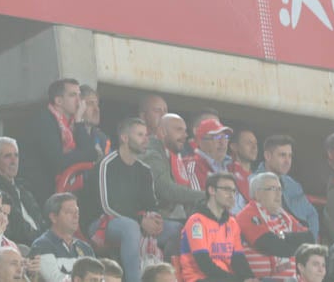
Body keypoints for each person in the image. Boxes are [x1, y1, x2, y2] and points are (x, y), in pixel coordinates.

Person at [79, 118, 175, 282]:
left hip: (137, 221)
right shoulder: (106, 164)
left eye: (146, 135)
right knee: (131, 228)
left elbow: (151, 205)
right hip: (101, 223)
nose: (146, 140)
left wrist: (155, 220)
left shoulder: (144, 170)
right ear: (124, 138)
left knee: (177, 229)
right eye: (140, 135)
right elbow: (107, 206)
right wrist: (141, 220)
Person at [234, 172, 311, 282]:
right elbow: (270, 245)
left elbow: (309, 238)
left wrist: (282, 237)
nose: (279, 194)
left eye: (280, 189)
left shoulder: (285, 216)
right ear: (258, 194)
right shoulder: (247, 214)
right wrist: (292, 241)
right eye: (273, 189)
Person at [179, 171, 250, 282]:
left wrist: (249, 278)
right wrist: (235, 280)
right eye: (226, 189)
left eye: (233, 191)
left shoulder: (232, 223)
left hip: (225, 277)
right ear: (211, 190)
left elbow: (238, 259)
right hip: (199, 278)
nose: (231, 195)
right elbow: (204, 263)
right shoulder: (196, 222)